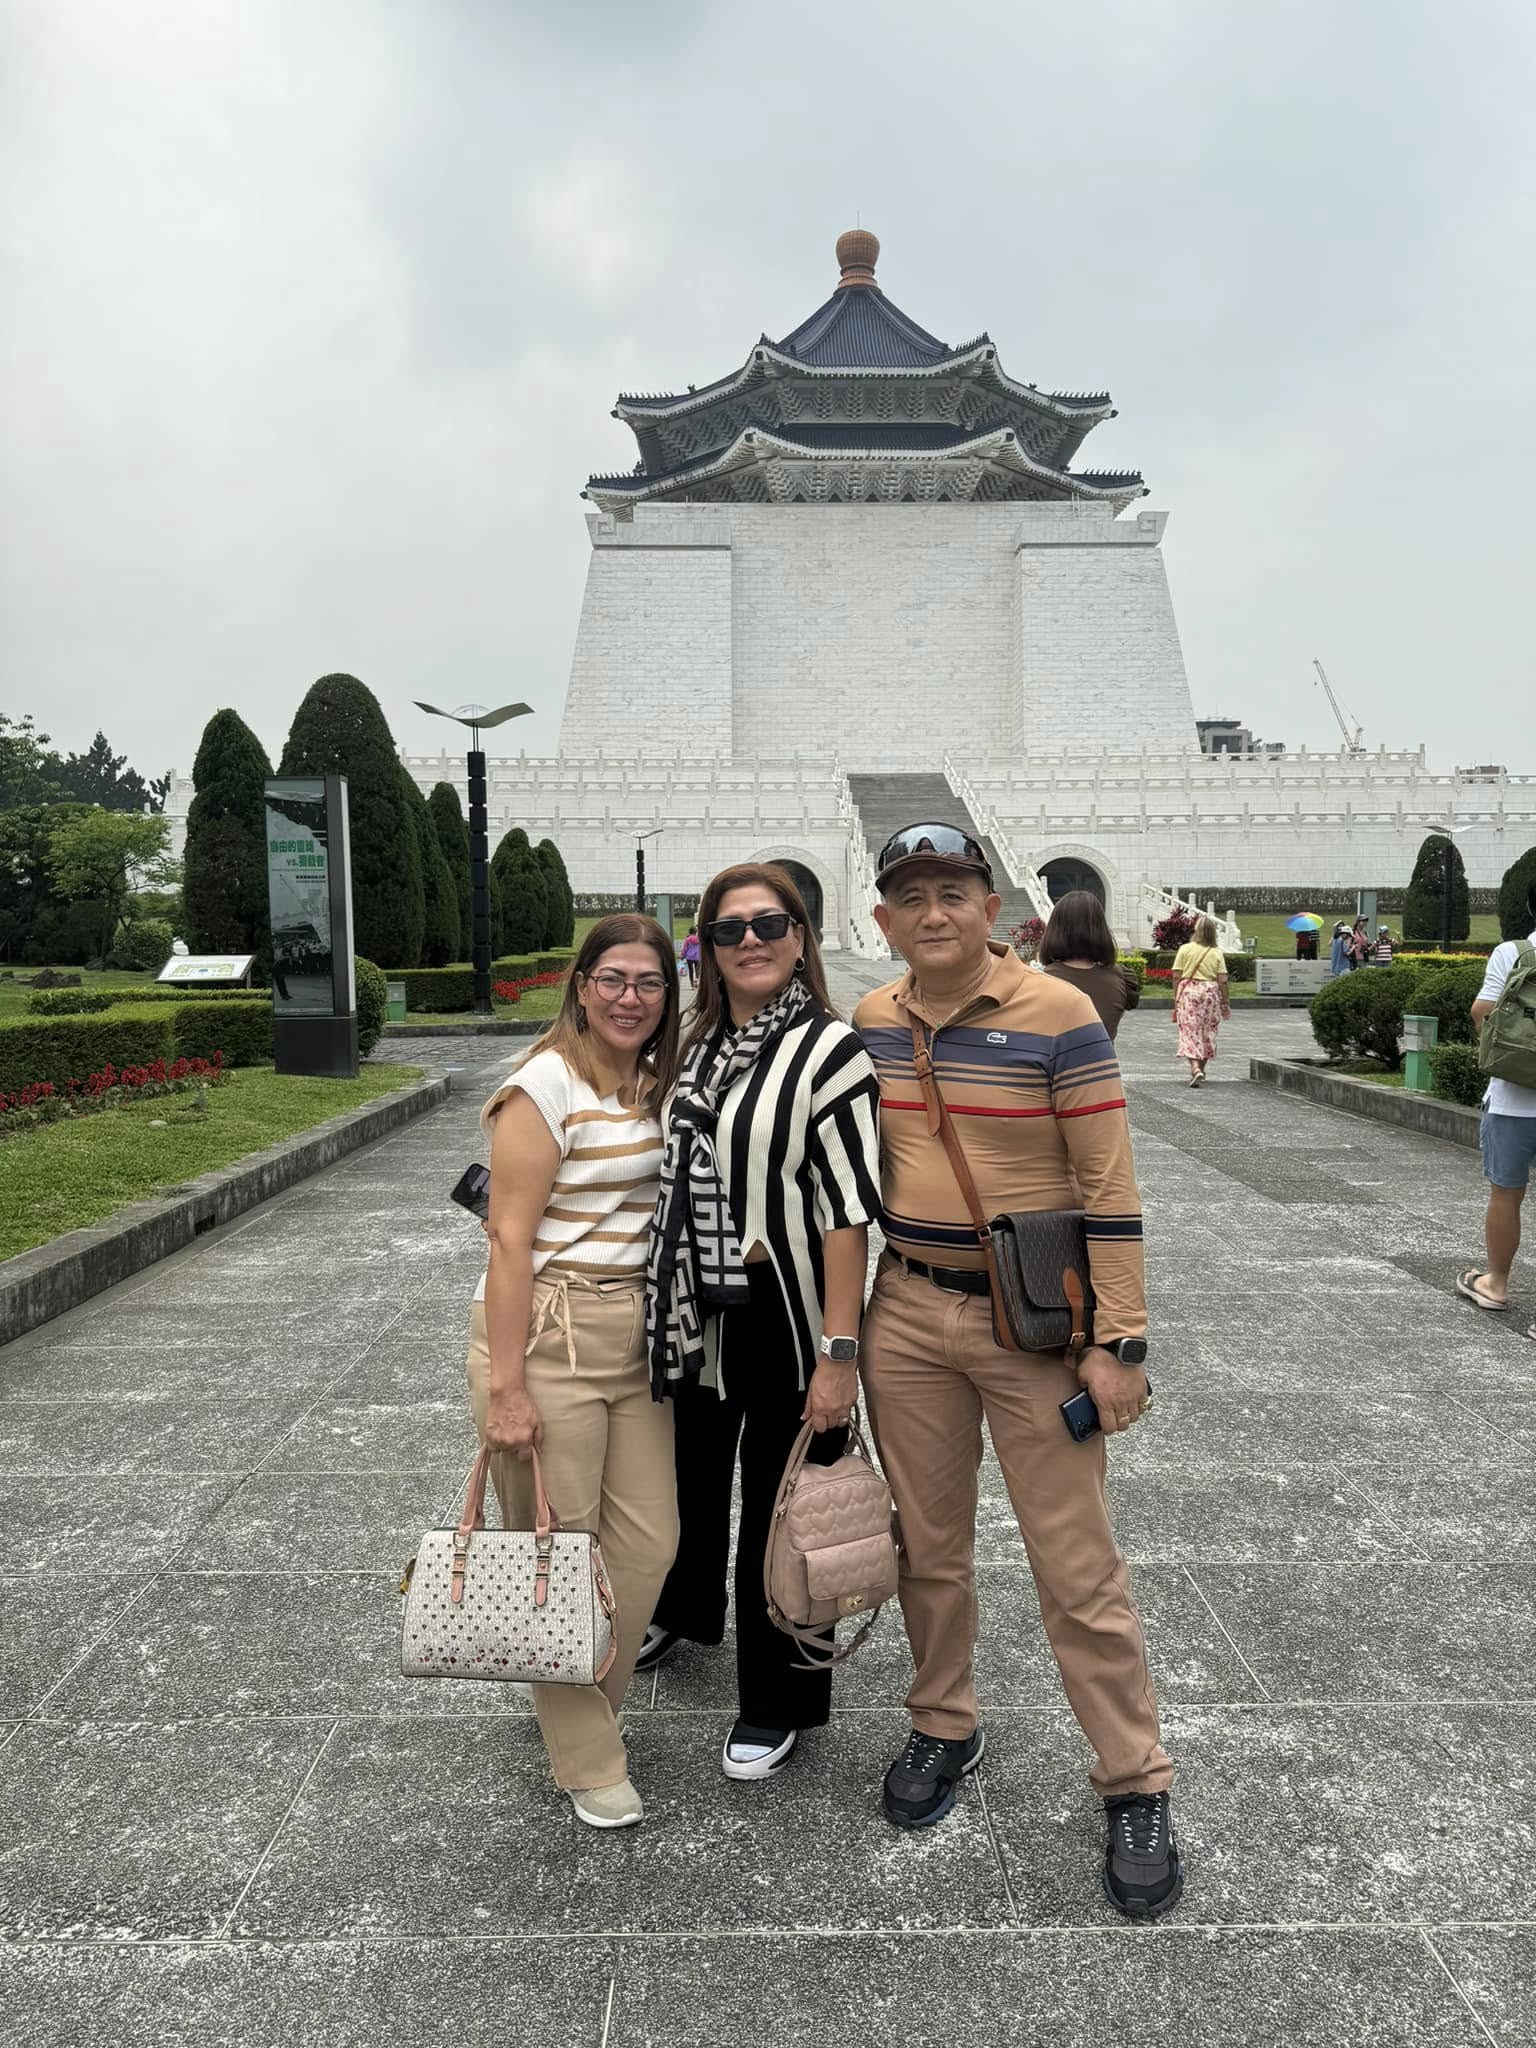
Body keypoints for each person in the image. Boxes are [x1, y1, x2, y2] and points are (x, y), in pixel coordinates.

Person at [854, 822, 1178, 1920]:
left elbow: (1110, 1180)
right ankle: (943, 1718)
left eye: (954, 890)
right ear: (883, 920)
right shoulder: (871, 1022)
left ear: (993, 908)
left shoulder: (1059, 1014)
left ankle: (1134, 1777)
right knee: (928, 1547)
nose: (933, 911)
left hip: (1032, 1325)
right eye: (911, 895)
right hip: (905, 1312)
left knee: (1075, 1559)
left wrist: (1119, 1339)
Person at [638, 862, 882, 1783]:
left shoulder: (830, 1051)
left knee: (785, 1514)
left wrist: (840, 1353)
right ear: (706, 946)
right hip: (692, 1310)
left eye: (769, 924)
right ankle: (687, 1611)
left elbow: (848, 1213)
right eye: (729, 928)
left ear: (800, 939)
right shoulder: (696, 1046)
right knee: (686, 1483)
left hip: (786, 1317)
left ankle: (778, 1696)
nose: (750, 941)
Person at [467, 914, 682, 1831]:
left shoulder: (652, 1082)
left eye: (650, 982)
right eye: (614, 979)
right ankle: (588, 1754)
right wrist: (506, 1388)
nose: (631, 998)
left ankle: (574, 1693)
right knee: (560, 1549)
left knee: (647, 1545)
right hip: (548, 1329)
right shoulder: (542, 1084)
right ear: (582, 985)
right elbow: (508, 1237)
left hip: (635, 1332)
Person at [1456, 875, 1536, 1339]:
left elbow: (1481, 1011)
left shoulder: (1513, 953)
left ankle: (1496, 1284)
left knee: (1506, 1194)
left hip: (1511, 1099)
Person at [1038, 889, 1141, 1039]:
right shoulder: (1121, 976)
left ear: (1055, 929)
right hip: (1105, 1060)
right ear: (1101, 928)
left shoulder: (1040, 981)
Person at [1171, 915, 1230, 1087]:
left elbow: (1176, 976)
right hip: (1210, 993)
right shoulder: (1216, 953)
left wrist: (1176, 998)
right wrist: (1225, 1001)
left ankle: (1195, 1068)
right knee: (1207, 1031)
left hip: (1189, 992)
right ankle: (1202, 1070)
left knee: (1190, 1031)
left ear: (1196, 931)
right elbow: (1223, 980)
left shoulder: (1185, 949)